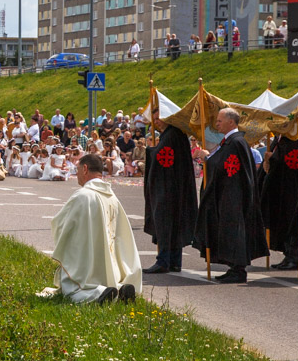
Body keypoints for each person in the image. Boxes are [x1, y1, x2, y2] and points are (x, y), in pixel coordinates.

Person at [37, 154, 142, 304]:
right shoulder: (112, 198)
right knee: (105, 278)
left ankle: (98, 294)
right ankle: (119, 290)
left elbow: (61, 225)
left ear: (85, 168)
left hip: (85, 262)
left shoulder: (83, 195)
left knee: (73, 289)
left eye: (77, 169)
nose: (76, 173)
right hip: (107, 263)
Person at [193, 108, 267, 283]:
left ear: (231, 122)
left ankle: (238, 269)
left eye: (220, 120)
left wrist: (207, 159)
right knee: (228, 231)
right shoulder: (229, 142)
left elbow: (226, 167)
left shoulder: (237, 142)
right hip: (228, 195)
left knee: (235, 232)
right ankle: (233, 267)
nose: (217, 123)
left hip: (235, 196)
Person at [143, 116, 197, 273]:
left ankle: (164, 261)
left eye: (159, 119)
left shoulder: (171, 135)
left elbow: (162, 160)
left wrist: (151, 150)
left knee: (165, 225)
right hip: (174, 187)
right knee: (173, 225)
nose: (156, 122)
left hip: (167, 189)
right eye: (154, 119)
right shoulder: (173, 135)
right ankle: (174, 261)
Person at [262, 134, 298, 270]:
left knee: (291, 222)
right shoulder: (279, 138)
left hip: (291, 188)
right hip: (279, 188)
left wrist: (272, 158)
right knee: (282, 222)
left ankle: (294, 257)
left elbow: (293, 163)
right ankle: (288, 255)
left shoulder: (295, 139)